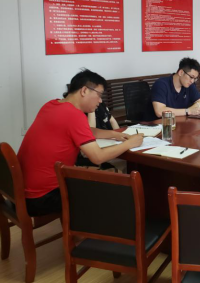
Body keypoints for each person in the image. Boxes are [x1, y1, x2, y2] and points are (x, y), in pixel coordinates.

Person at [17, 69, 144, 217]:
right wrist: (129, 144)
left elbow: (86, 131)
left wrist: (115, 134)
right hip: (43, 197)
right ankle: (101, 229)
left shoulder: (52, 105)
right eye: (99, 95)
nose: (100, 101)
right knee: (114, 188)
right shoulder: (74, 115)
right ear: (84, 91)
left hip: (22, 191)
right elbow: (97, 157)